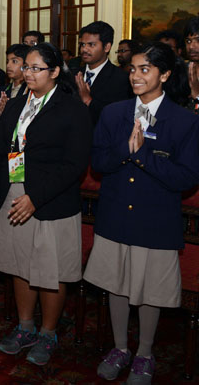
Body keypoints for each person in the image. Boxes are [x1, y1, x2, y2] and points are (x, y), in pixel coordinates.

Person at [83, 41, 199, 384]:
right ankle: (120, 347)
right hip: (116, 214)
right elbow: (99, 163)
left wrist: (143, 155)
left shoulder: (185, 121)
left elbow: (187, 178)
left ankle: (145, 353)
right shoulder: (114, 112)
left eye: (144, 69)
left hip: (156, 219)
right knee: (116, 283)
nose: (135, 76)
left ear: (164, 74)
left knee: (150, 289)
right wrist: (125, 148)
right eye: (132, 69)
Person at [0, 43, 92, 366]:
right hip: (13, 194)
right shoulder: (15, 105)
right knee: (19, 264)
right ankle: (25, 326)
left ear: (55, 72)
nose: (27, 73)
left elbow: (75, 164)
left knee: (49, 270)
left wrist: (36, 198)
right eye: (25, 67)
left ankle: (47, 332)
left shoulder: (72, 109)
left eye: (35, 68)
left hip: (49, 201)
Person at [74, 21, 131, 125]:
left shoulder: (121, 79)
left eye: (91, 45)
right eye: (82, 44)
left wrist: (88, 101)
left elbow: (116, 118)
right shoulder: (74, 73)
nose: (84, 49)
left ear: (107, 47)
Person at [0, 44, 30, 130]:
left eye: (14, 61)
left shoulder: (31, 91)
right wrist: (0, 114)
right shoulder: (1, 91)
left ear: (26, 65)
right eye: (7, 61)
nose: (8, 66)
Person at [184, 17, 199, 103]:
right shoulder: (181, 70)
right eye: (188, 41)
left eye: (198, 40)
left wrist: (197, 96)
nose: (191, 46)